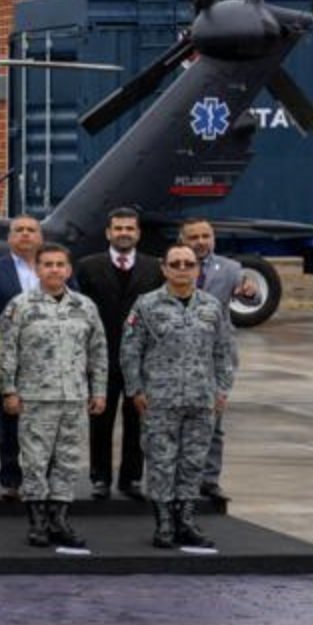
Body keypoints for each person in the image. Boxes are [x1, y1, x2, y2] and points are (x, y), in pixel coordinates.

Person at [123, 244, 238, 549]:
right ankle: (164, 523)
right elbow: (130, 350)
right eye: (176, 264)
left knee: (193, 462)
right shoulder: (146, 305)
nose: (183, 269)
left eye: (189, 264)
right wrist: (135, 389)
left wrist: (222, 390)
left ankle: (185, 520)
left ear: (197, 269)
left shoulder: (212, 306)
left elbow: (224, 351)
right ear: (164, 268)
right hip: (160, 400)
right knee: (161, 462)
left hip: (201, 400)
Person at [0, 243, 108, 549]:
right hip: (35, 398)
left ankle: (59, 520)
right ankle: (37, 523)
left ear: (69, 270)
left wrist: (99, 390)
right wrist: (8, 390)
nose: (54, 270)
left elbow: (98, 351)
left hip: (75, 398)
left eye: (60, 264)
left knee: (68, 462)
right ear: (37, 269)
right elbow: (6, 351)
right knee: (35, 462)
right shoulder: (20, 306)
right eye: (48, 264)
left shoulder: (85, 306)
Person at [75, 208, 161, 501]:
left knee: (137, 420)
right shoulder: (87, 266)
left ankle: (131, 478)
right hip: (101, 358)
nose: (124, 233)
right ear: (108, 233)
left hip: (141, 360)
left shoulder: (154, 268)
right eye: (119, 228)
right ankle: (100, 478)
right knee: (100, 420)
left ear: (138, 233)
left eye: (129, 228)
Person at [179, 218, 253, 503]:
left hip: (215, 356)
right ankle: (176, 477)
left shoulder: (231, 269)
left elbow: (249, 299)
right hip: (177, 356)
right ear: (182, 240)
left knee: (213, 420)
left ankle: (209, 480)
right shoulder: (171, 265)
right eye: (194, 237)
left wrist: (249, 293)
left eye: (206, 236)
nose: (201, 242)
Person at [0, 215, 46, 500]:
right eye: (19, 230)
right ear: (9, 238)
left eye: (31, 230)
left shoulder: (54, 267)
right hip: (7, 360)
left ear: (40, 237)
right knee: (8, 424)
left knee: (44, 425)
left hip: (48, 361)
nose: (25, 234)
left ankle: (41, 478)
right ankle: (11, 480)